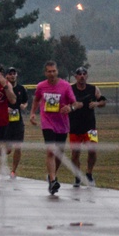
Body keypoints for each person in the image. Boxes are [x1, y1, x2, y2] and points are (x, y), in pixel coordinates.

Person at [28, 60, 77, 196]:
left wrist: (70, 108)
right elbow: (36, 99)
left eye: (54, 71)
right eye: (49, 71)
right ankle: (53, 179)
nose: (51, 73)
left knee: (59, 153)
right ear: (45, 73)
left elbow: (76, 103)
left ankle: (51, 176)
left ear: (57, 71)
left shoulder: (66, 86)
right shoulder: (41, 86)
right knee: (50, 151)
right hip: (47, 122)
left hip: (62, 123)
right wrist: (33, 113)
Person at [68, 66, 106, 187]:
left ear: (87, 76)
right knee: (75, 153)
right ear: (76, 76)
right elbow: (63, 104)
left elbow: (103, 101)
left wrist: (97, 103)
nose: (82, 76)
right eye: (79, 74)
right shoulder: (70, 89)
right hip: (74, 127)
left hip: (90, 127)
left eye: (84, 74)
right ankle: (78, 176)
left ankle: (89, 174)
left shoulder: (93, 89)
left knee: (92, 151)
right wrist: (73, 106)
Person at [4, 67, 29, 179]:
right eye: (10, 74)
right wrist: (5, 109)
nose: (13, 75)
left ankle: (13, 171)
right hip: (6, 122)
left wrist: (24, 105)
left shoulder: (21, 89)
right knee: (8, 150)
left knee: (18, 147)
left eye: (14, 73)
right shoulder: (3, 88)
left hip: (18, 122)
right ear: (7, 76)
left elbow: (25, 101)